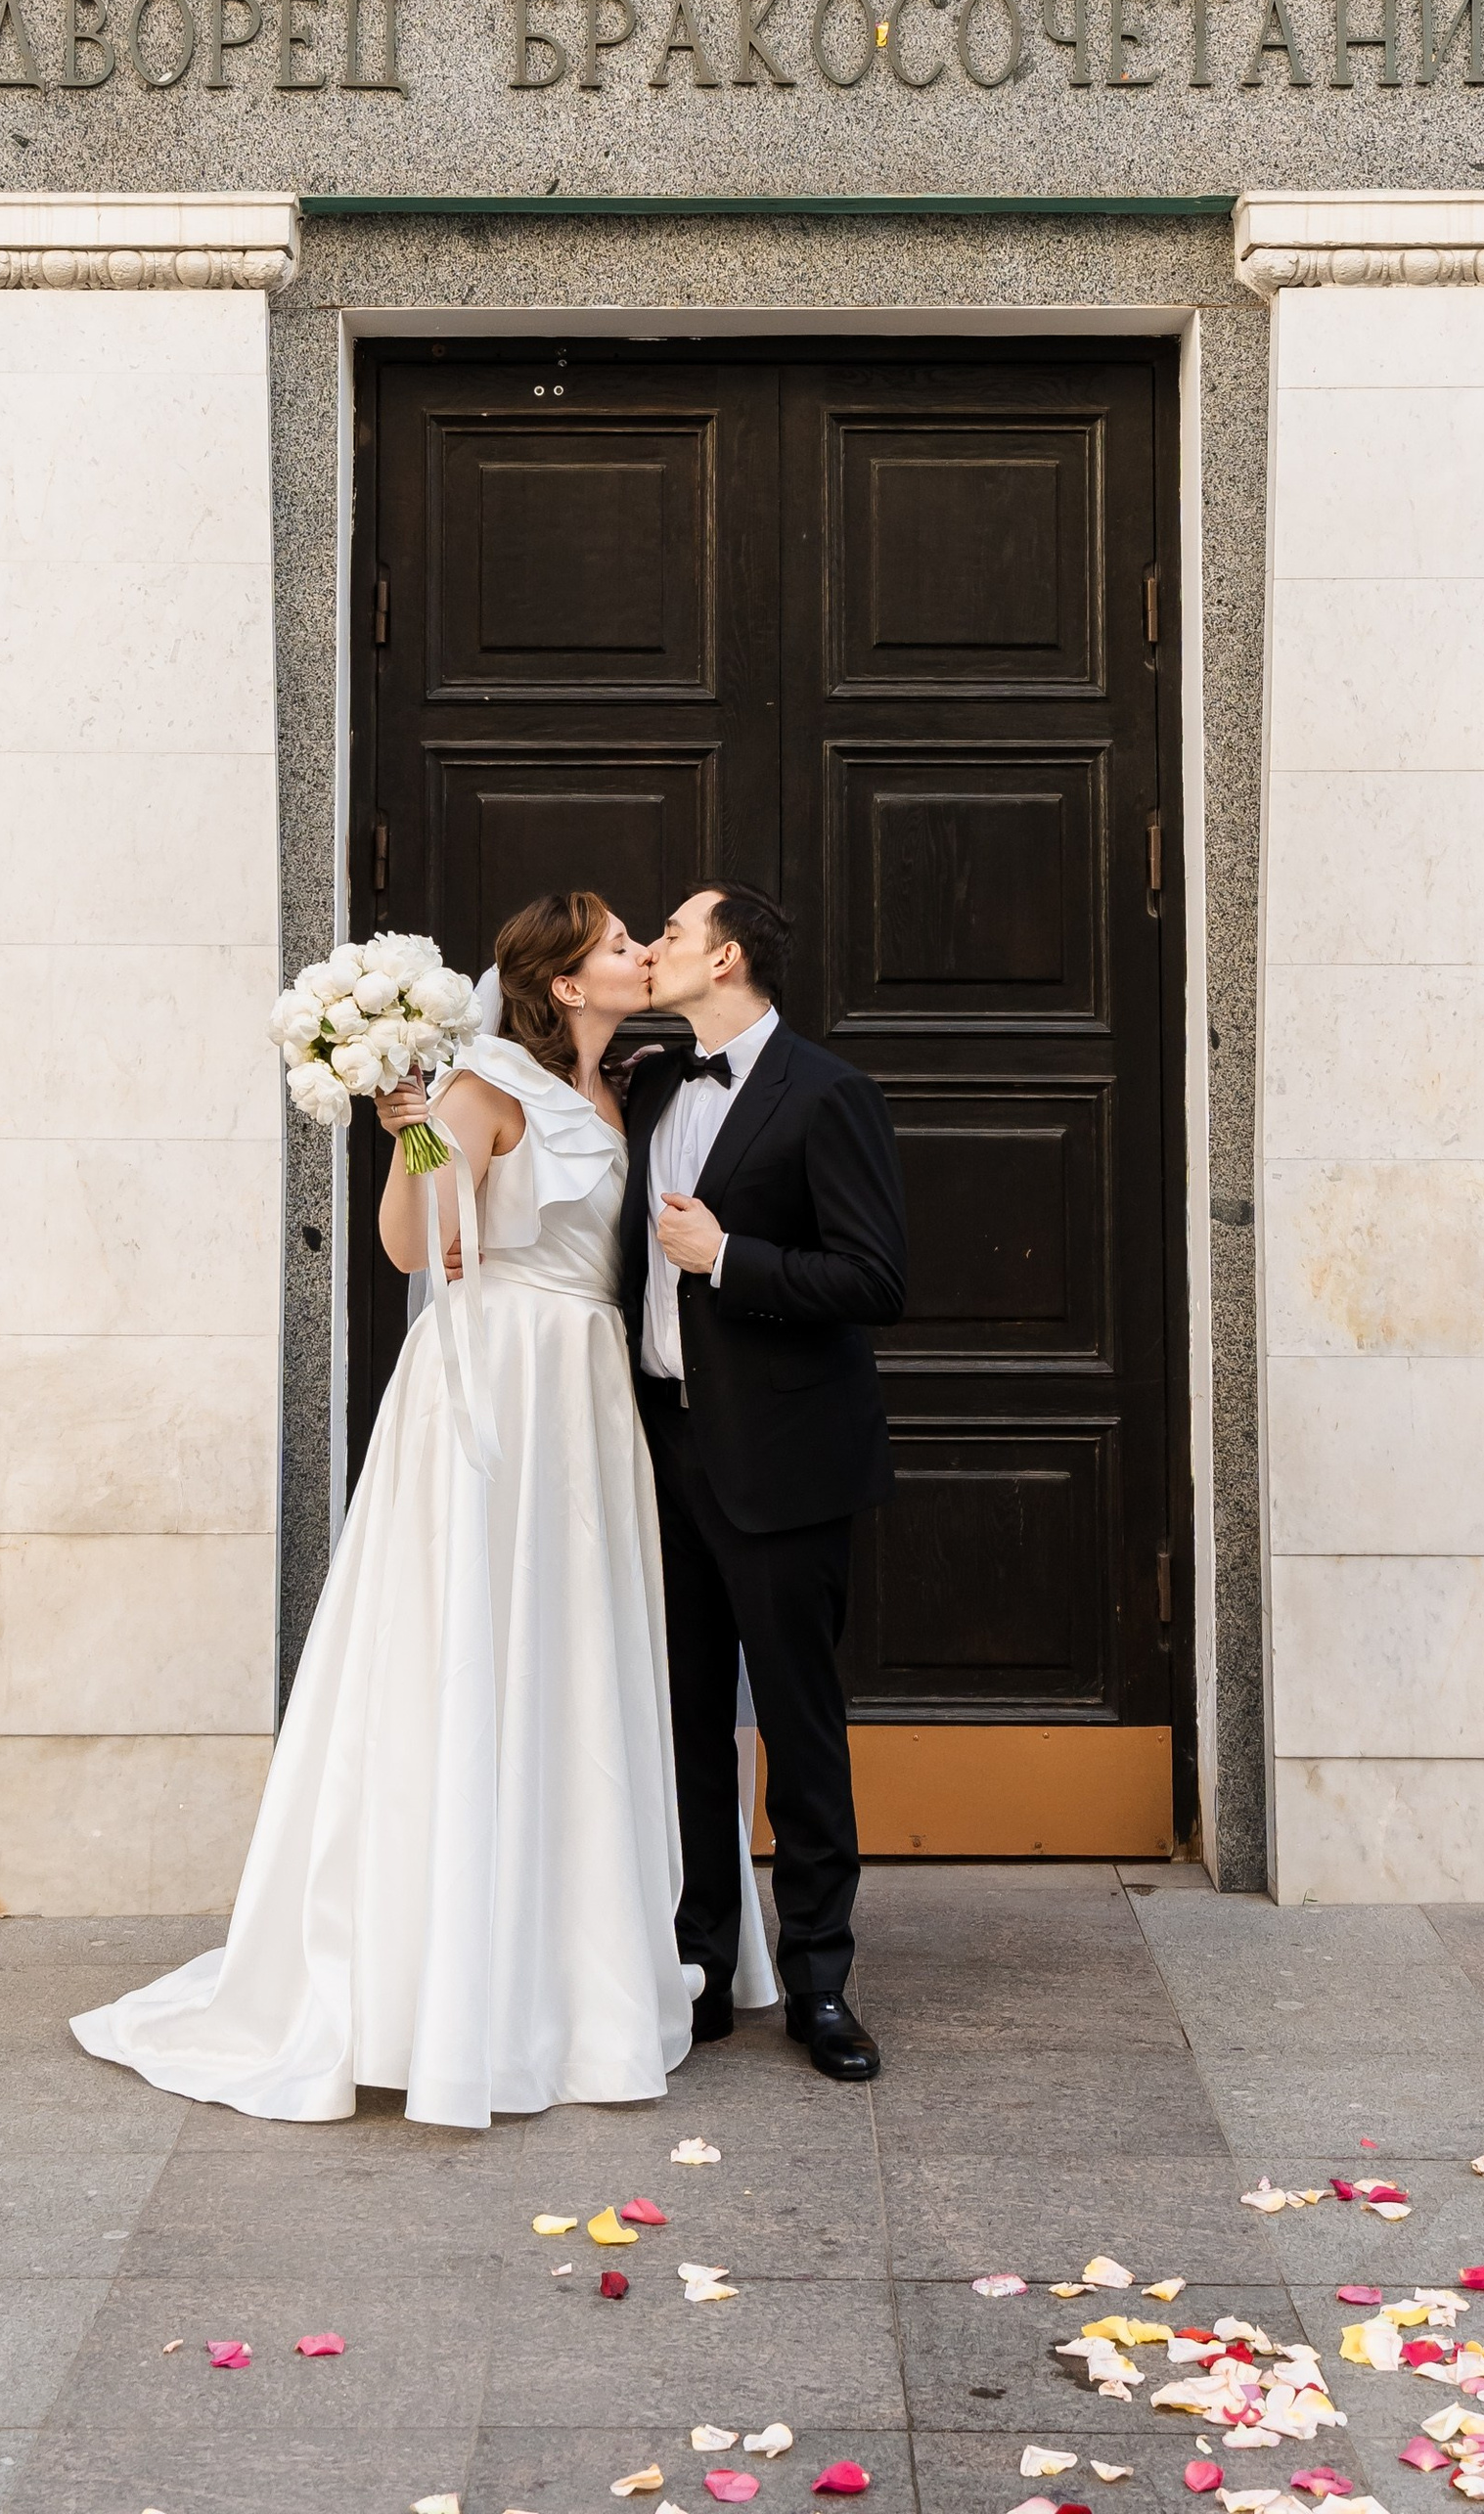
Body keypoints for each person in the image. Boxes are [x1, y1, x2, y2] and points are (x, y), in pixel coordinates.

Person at [71, 891, 771, 2127]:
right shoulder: (486, 1083)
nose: (639, 956)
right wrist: (413, 1136)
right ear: (563, 983)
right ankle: (450, 1974)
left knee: (572, 1661)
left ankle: (577, 1939)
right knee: (472, 1647)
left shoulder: (632, 1086)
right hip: (500, 1383)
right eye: (618, 945)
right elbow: (416, 1248)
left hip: (589, 1393)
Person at [622, 884, 908, 2082]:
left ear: (726, 957)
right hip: (660, 1449)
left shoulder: (827, 1092)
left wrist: (729, 1257)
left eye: (674, 935)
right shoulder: (644, 1082)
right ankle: (698, 1970)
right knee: (684, 1723)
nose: (655, 949)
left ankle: (821, 1985)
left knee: (798, 1726)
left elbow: (874, 1280)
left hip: (785, 1459)